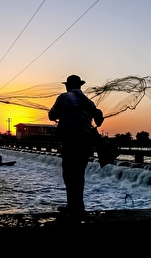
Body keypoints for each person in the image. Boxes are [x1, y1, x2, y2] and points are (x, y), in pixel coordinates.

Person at [48, 74, 104, 218]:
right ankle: (78, 206)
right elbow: (98, 118)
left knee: (68, 172)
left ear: (67, 86)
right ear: (80, 86)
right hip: (86, 141)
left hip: (71, 140)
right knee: (79, 173)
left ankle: (72, 206)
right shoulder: (88, 101)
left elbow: (52, 115)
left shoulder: (64, 97)